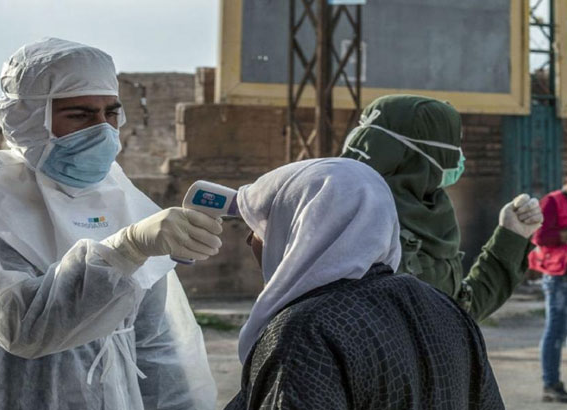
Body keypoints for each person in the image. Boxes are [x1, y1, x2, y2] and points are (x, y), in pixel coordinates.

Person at [0, 38, 218, 410]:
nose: (102, 130)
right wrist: (125, 251)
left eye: (110, 113)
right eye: (79, 115)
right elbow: (22, 326)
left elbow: (157, 344)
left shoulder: (121, 198)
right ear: (27, 118)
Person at [225, 158, 504, 410]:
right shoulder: (447, 311)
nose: (251, 240)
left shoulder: (304, 332)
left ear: (299, 229)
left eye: (263, 227)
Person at [341, 94, 543, 321]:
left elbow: (455, 312)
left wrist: (511, 236)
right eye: (453, 148)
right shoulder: (356, 221)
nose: (459, 158)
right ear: (424, 156)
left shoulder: (429, 217)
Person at [529, 187, 567, 402]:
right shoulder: (552, 201)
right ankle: (551, 384)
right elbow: (539, 236)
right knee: (555, 332)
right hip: (558, 277)